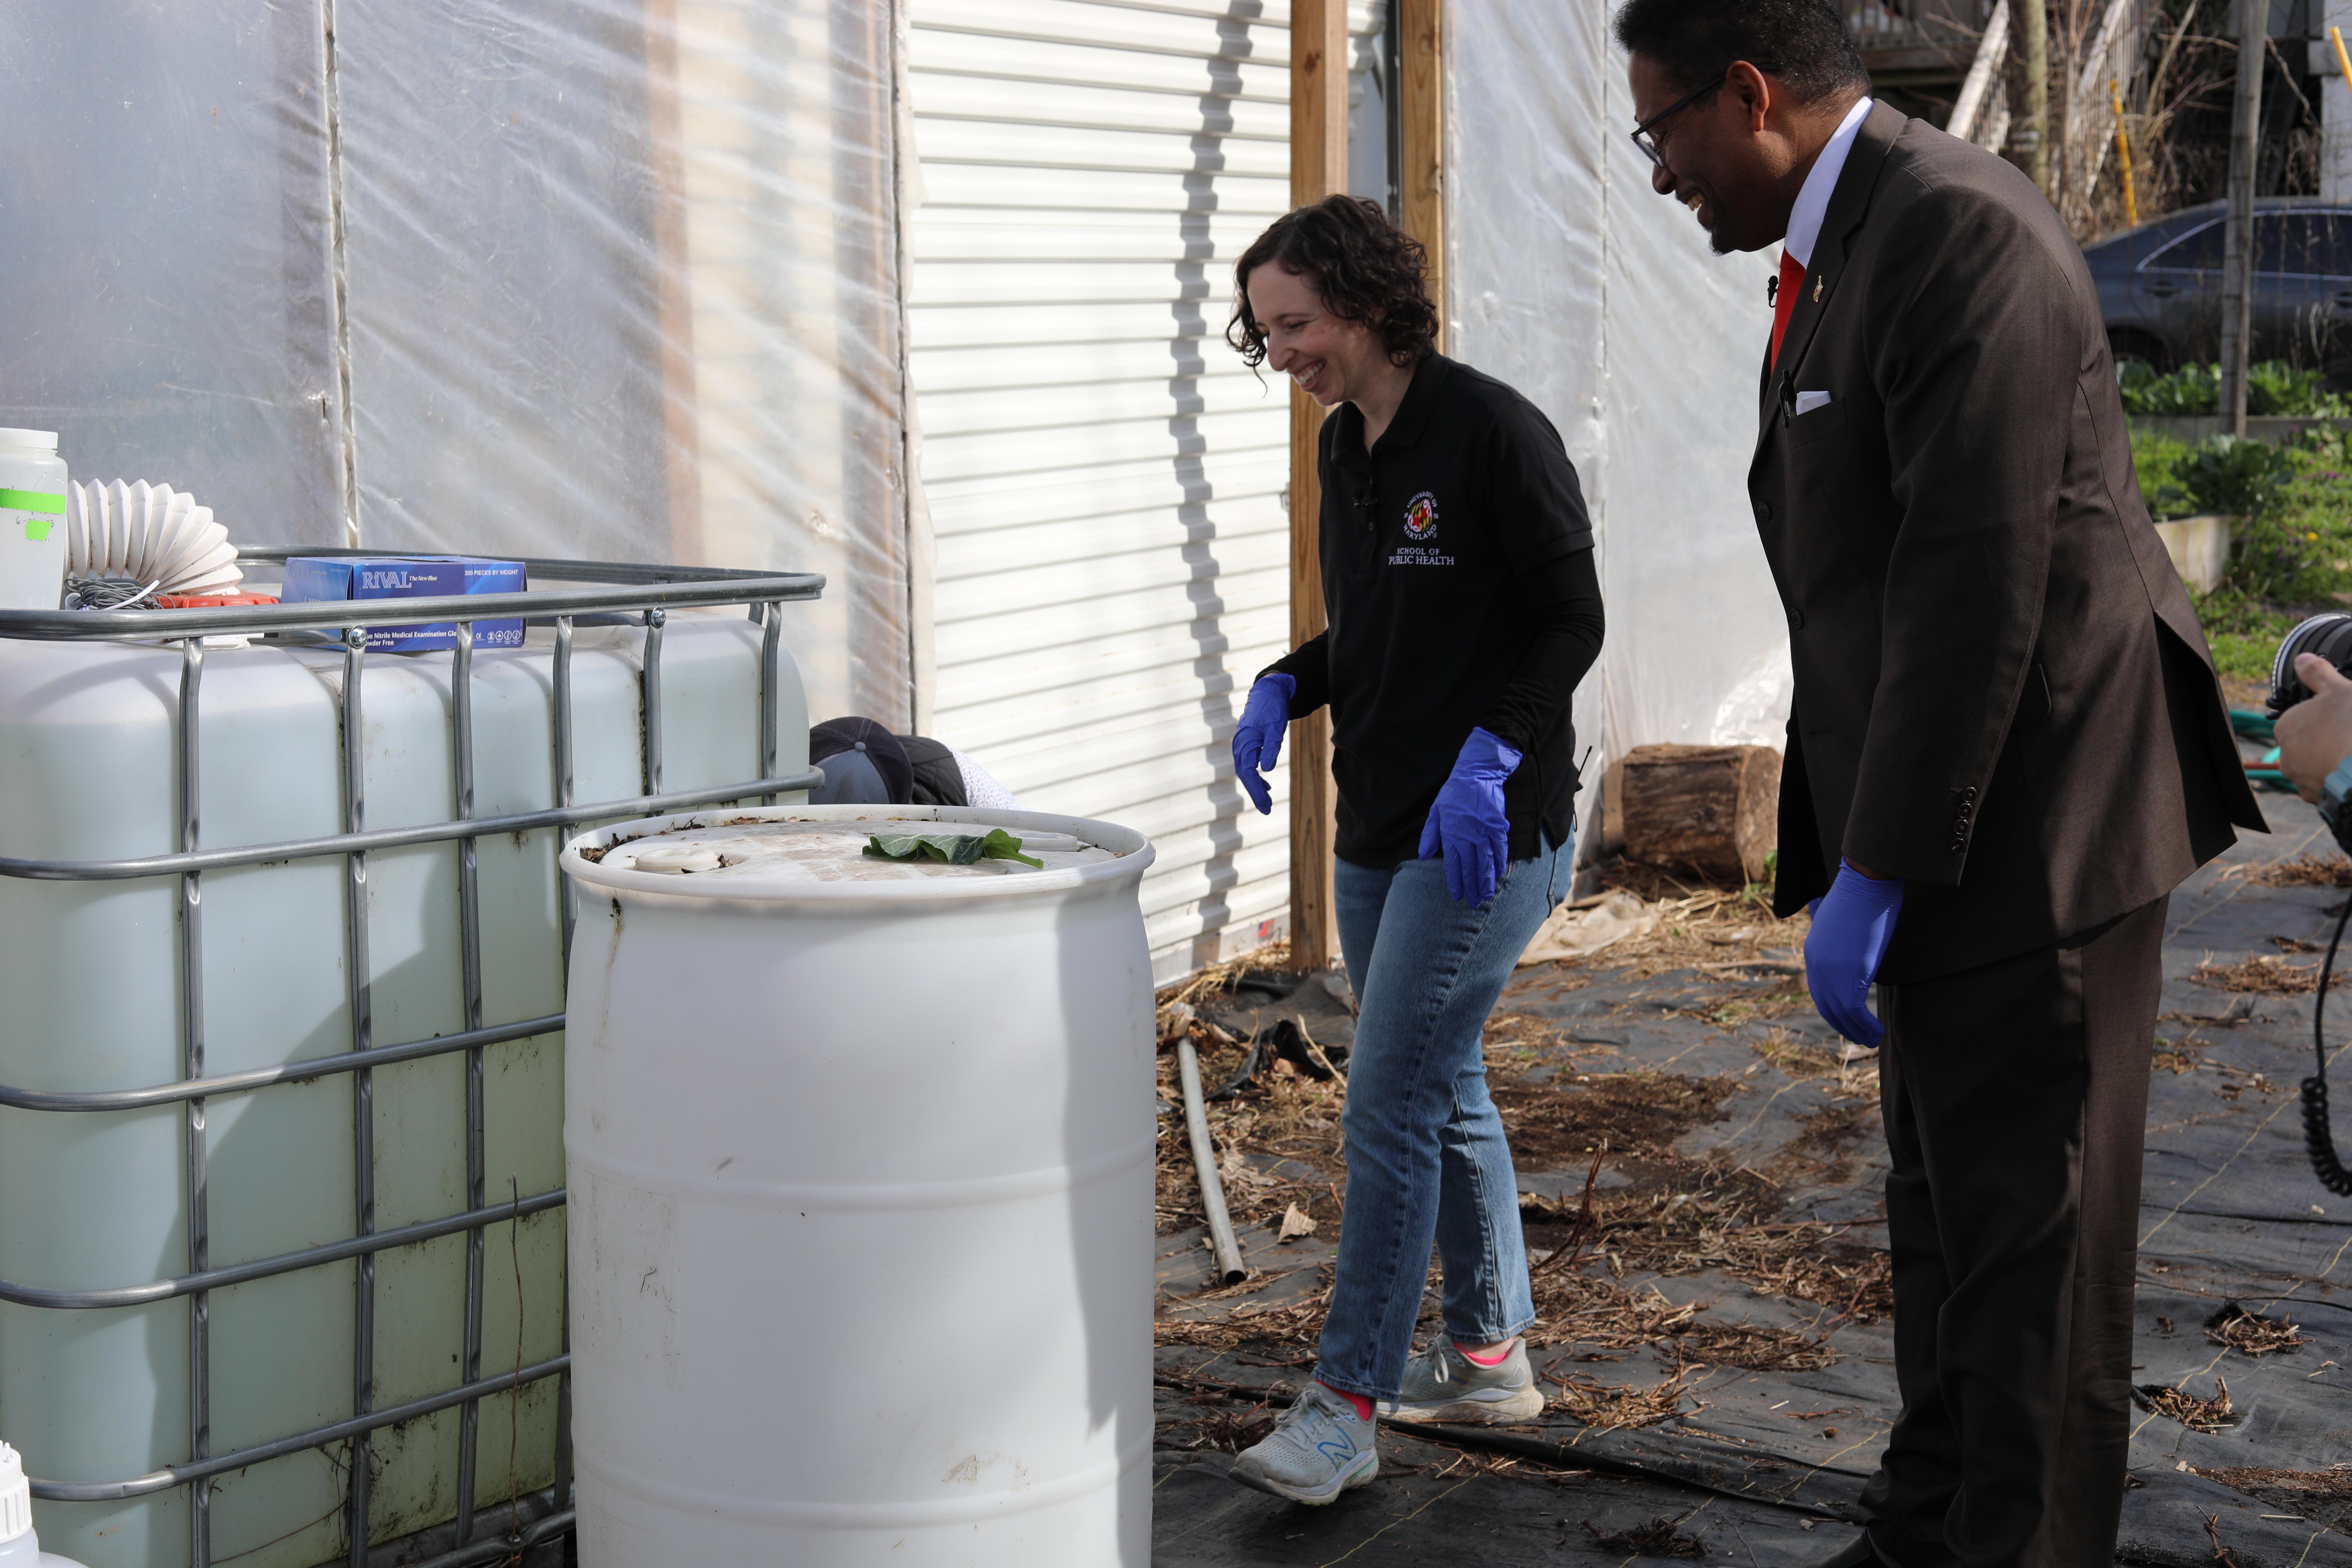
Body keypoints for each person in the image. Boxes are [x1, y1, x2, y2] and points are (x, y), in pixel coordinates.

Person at [1613, 3, 2265, 1564]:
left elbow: (1975, 583)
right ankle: (1933, 1527)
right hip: (1946, 828)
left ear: (1750, 94)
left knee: (2033, 1258)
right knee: (1949, 1221)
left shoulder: (1960, 236)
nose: (1657, 176)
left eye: (1661, 133)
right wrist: (1866, 862)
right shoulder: (1856, 243)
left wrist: (1885, 864)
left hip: (2038, 832)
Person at [1217, 195, 1605, 1504]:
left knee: (1386, 1100)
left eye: (1299, 325)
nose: (1283, 355)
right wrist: (1288, 680)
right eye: (1264, 331)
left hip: (1486, 834)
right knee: (1439, 1087)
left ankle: (1346, 1404)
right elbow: (1380, 635)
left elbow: (1571, 617)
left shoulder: (1491, 431)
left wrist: (1495, 757)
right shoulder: (1348, 448)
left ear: (1370, 305)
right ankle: (1489, 1355)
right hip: (1384, 826)